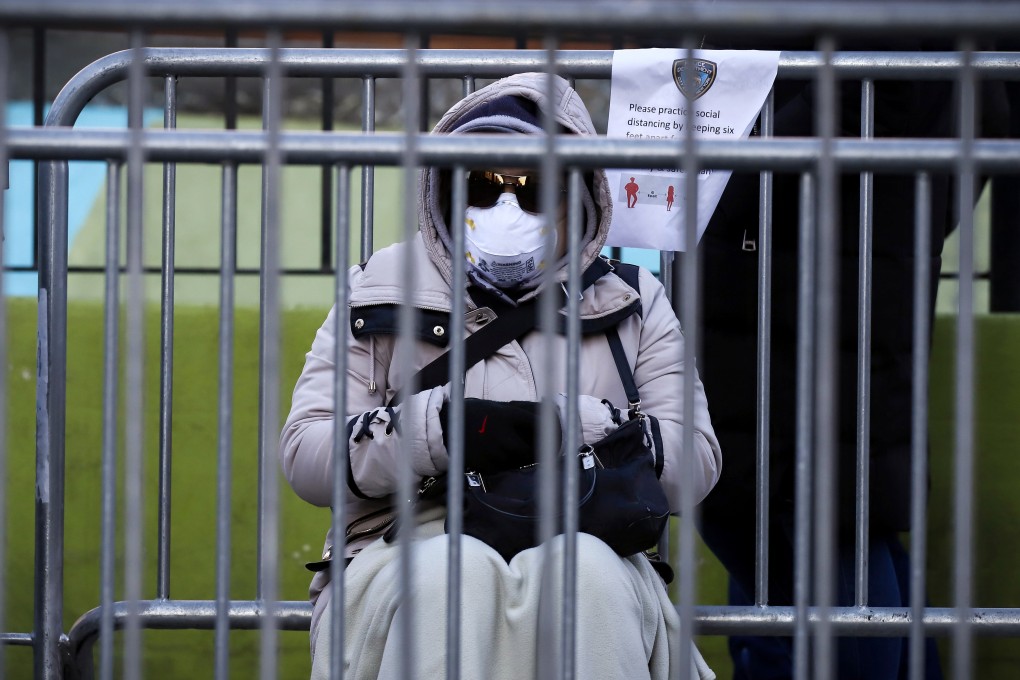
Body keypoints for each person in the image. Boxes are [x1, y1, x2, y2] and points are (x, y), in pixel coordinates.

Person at [280, 73, 723, 680]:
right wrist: (439, 428)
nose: (506, 205)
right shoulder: (378, 286)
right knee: (449, 574)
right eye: (483, 184)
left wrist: (585, 429)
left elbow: (694, 462)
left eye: (535, 186)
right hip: (410, 535)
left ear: (580, 192)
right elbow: (307, 454)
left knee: (584, 576)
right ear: (445, 190)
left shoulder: (634, 300)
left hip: (587, 527)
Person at [693, 29, 1009, 679]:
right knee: (820, 521)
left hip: (806, 266)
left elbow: (878, 94)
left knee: (817, 520)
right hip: (814, 264)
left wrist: (734, 169)